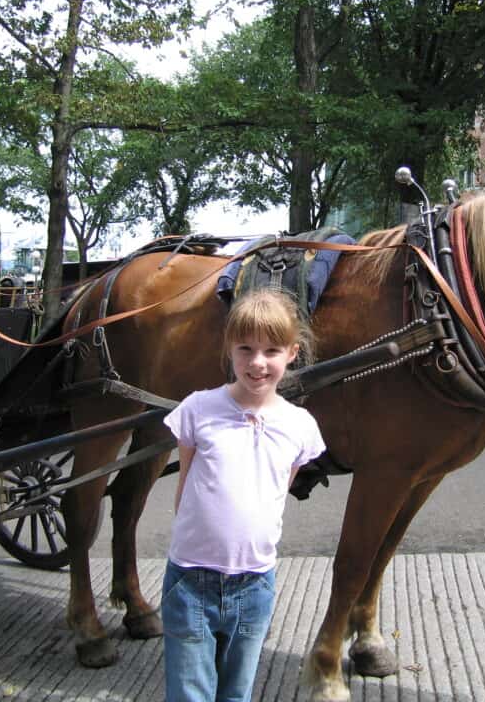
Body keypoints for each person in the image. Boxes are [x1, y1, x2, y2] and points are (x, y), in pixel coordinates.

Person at [161, 289, 326, 702]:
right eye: (246, 349)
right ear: (229, 349)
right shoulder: (197, 409)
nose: (257, 362)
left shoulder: (299, 424)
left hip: (254, 584)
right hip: (191, 579)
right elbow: (186, 481)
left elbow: (278, 490)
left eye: (272, 350)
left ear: (293, 353)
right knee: (189, 695)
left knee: (236, 693)